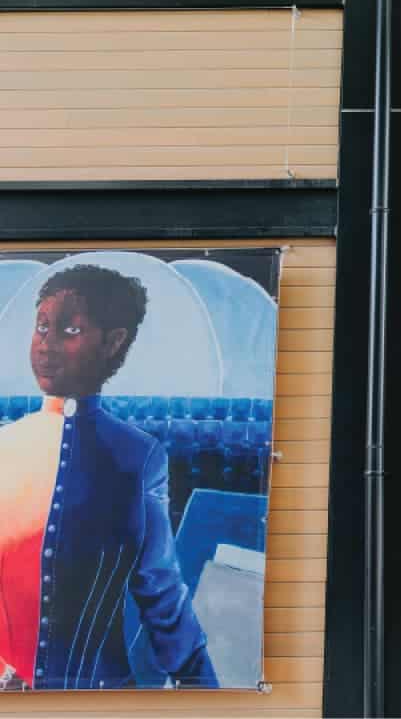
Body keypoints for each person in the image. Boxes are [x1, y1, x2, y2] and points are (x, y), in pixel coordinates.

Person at [0, 265, 217, 690]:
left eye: (70, 330)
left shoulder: (138, 457)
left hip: (101, 699)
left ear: (113, 342)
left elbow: (161, 594)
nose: (46, 345)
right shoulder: (4, 446)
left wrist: (205, 691)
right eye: (42, 327)